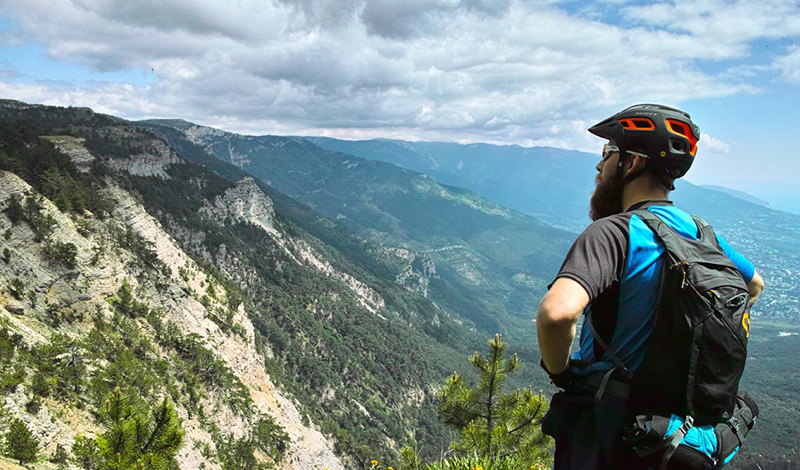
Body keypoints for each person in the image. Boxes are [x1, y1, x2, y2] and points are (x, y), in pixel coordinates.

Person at [536, 104, 765, 469]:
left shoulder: (614, 231)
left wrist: (560, 372)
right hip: (685, 441)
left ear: (633, 162)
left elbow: (556, 314)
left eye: (607, 153)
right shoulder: (702, 234)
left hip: (619, 435)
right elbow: (754, 285)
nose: (599, 167)